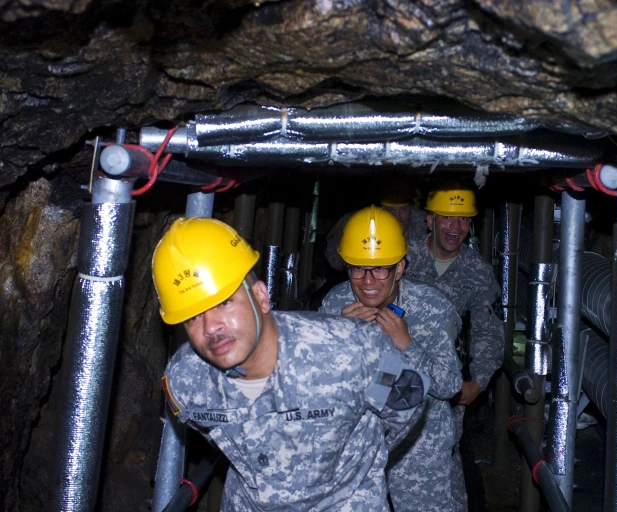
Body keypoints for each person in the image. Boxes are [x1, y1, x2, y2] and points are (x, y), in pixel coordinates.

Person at [153, 217, 429, 511]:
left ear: (260, 296)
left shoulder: (355, 351)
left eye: (224, 303)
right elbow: (209, 430)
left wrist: (356, 457)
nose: (211, 327)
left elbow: (405, 405)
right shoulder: (185, 381)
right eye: (193, 316)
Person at [319, 206, 463, 511]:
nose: (368, 280)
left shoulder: (433, 308)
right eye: (357, 268)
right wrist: (343, 339)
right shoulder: (336, 304)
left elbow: (450, 386)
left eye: (380, 269)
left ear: (399, 268)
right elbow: (319, 385)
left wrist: (406, 343)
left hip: (418, 449)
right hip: (356, 444)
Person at [402, 184, 503, 512]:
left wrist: (479, 379)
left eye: (463, 220)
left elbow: (489, 329)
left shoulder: (477, 272)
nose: (454, 228)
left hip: (444, 378)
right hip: (394, 369)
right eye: (447, 218)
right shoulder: (402, 254)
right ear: (430, 220)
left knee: (443, 456)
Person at [325, 179, 428, 271]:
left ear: (411, 209)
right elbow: (333, 256)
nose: (398, 217)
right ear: (382, 208)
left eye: (403, 210)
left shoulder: (425, 222)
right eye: (391, 210)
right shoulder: (357, 222)